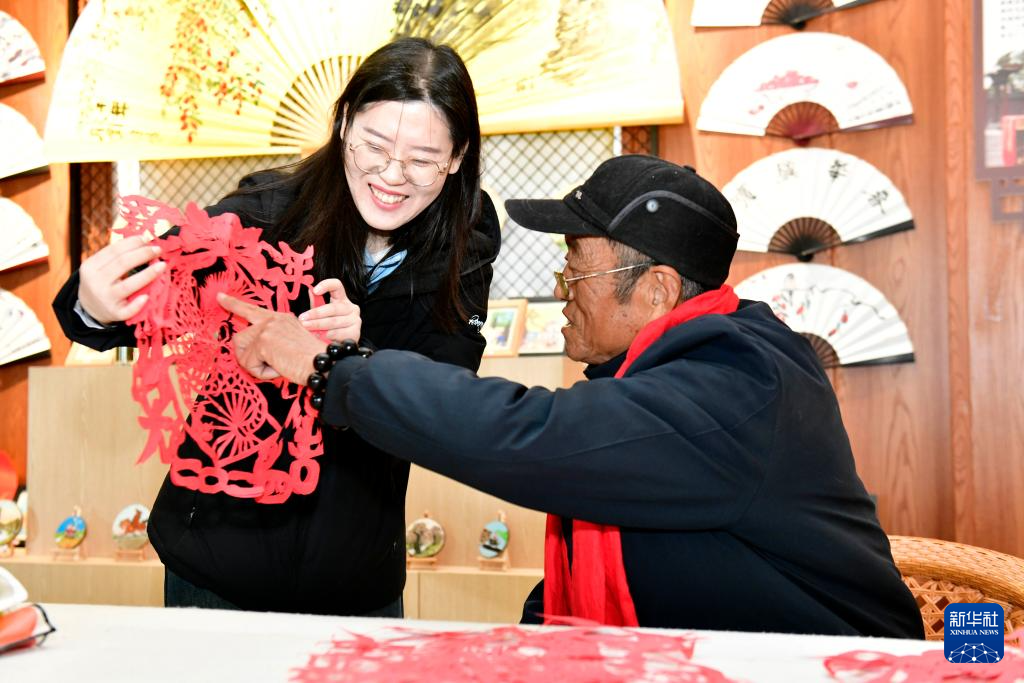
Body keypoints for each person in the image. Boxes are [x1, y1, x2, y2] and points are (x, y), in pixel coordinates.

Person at [219, 154, 925, 637]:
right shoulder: (668, 369)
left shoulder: (735, 382)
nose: (560, 290)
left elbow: (528, 436)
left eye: (575, 271)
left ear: (656, 291)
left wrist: (333, 368)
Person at [52, 37, 500, 617]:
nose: (392, 175)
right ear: (344, 123)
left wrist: (355, 357)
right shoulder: (266, 212)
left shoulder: (466, 234)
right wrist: (95, 303)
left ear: (458, 157)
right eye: (374, 146)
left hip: (356, 572)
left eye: (421, 159)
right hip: (216, 560)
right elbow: (146, 299)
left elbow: (446, 390)